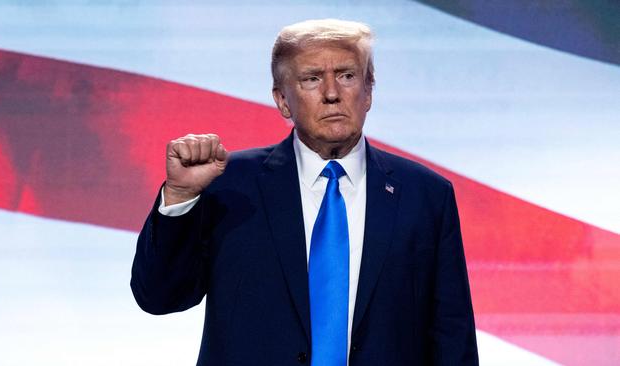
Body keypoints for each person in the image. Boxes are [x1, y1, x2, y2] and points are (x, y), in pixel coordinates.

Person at [131, 19, 478, 366]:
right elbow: (160, 297)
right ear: (283, 101)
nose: (331, 93)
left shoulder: (426, 196)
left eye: (346, 75)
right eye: (311, 78)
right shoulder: (228, 184)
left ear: (368, 92)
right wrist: (180, 197)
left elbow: (452, 337)